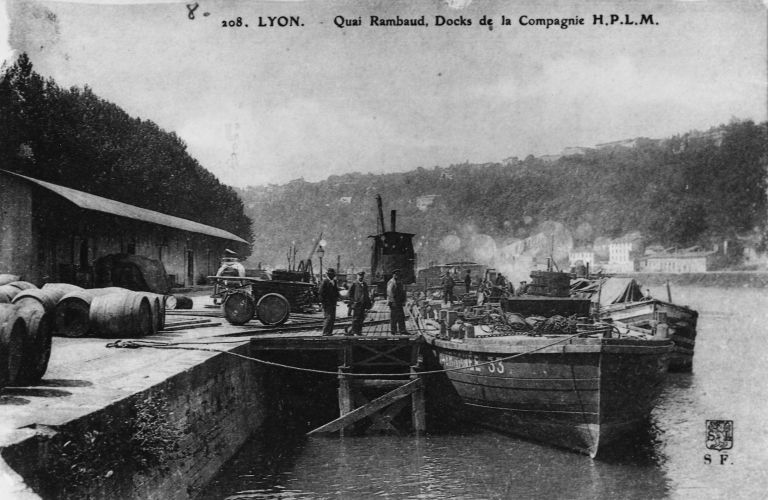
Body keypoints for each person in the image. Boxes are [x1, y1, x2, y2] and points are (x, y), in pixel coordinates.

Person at [347, 271, 372, 336]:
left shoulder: (365, 284)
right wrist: (353, 302)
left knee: (361, 318)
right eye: (359, 276)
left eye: (362, 276)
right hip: (357, 304)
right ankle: (354, 332)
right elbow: (349, 294)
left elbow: (366, 294)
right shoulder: (354, 284)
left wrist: (368, 303)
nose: (361, 277)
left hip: (363, 304)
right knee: (356, 319)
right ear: (357, 276)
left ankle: (359, 331)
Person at [318, 268, 339, 336]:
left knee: (332, 318)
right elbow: (321, 293)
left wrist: (337, 298)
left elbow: (336, 292)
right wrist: (323, 303)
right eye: (331, 274)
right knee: (328, 317)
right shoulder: (324, 282)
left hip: (333, 303)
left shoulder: (334, 282)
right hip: (327, 304)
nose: (333, 276)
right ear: (328, 275)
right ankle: (325, 333)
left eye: (333, 274)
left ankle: (329, 332)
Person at [387, 269, 407, 334]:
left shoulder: (400, 282)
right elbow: (390, 293)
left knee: (401, 316)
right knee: (394, 317)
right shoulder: (391, 282)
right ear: (393, 275)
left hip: (399, 302)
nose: (397, 276)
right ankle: (393, 330)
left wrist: (404, 300)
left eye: (398, 274)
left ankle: (402, 330)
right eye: (396, 274)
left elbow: (403, 291)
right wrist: (393, 301)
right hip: (393, 302)